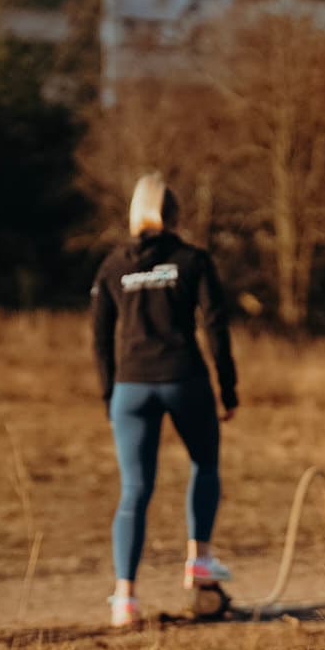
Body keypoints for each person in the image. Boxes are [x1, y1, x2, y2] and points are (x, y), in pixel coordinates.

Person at [92, 173, 238, 627]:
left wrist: (108, 394)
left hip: (130, 387)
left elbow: (99, 338)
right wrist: (228, 387)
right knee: (205, 465)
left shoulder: (113, 265)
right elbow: (215, 325)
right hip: (184, 379)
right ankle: (199, 557)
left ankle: (124, 600)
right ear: (174, 215)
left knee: (134, 491)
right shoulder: (193, 260)